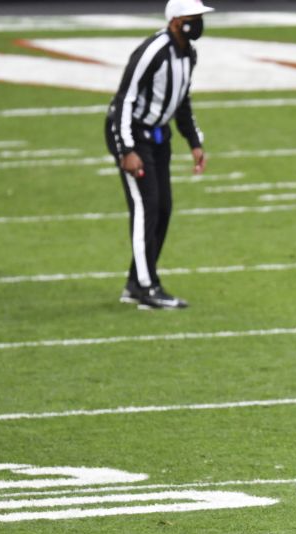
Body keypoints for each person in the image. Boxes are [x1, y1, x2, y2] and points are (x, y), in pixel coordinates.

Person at [104, 0, 214, 310]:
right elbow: (124, 99)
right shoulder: (152, 51)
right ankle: (146, 286)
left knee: (163, 207)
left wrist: (194, 141)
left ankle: (135, 281)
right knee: (146, 207)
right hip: (133, 134)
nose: (199, 24)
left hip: (158, 136)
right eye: (195, 18)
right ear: (177, 21)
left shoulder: (188, 53)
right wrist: (126, 148)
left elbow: (182, 99)